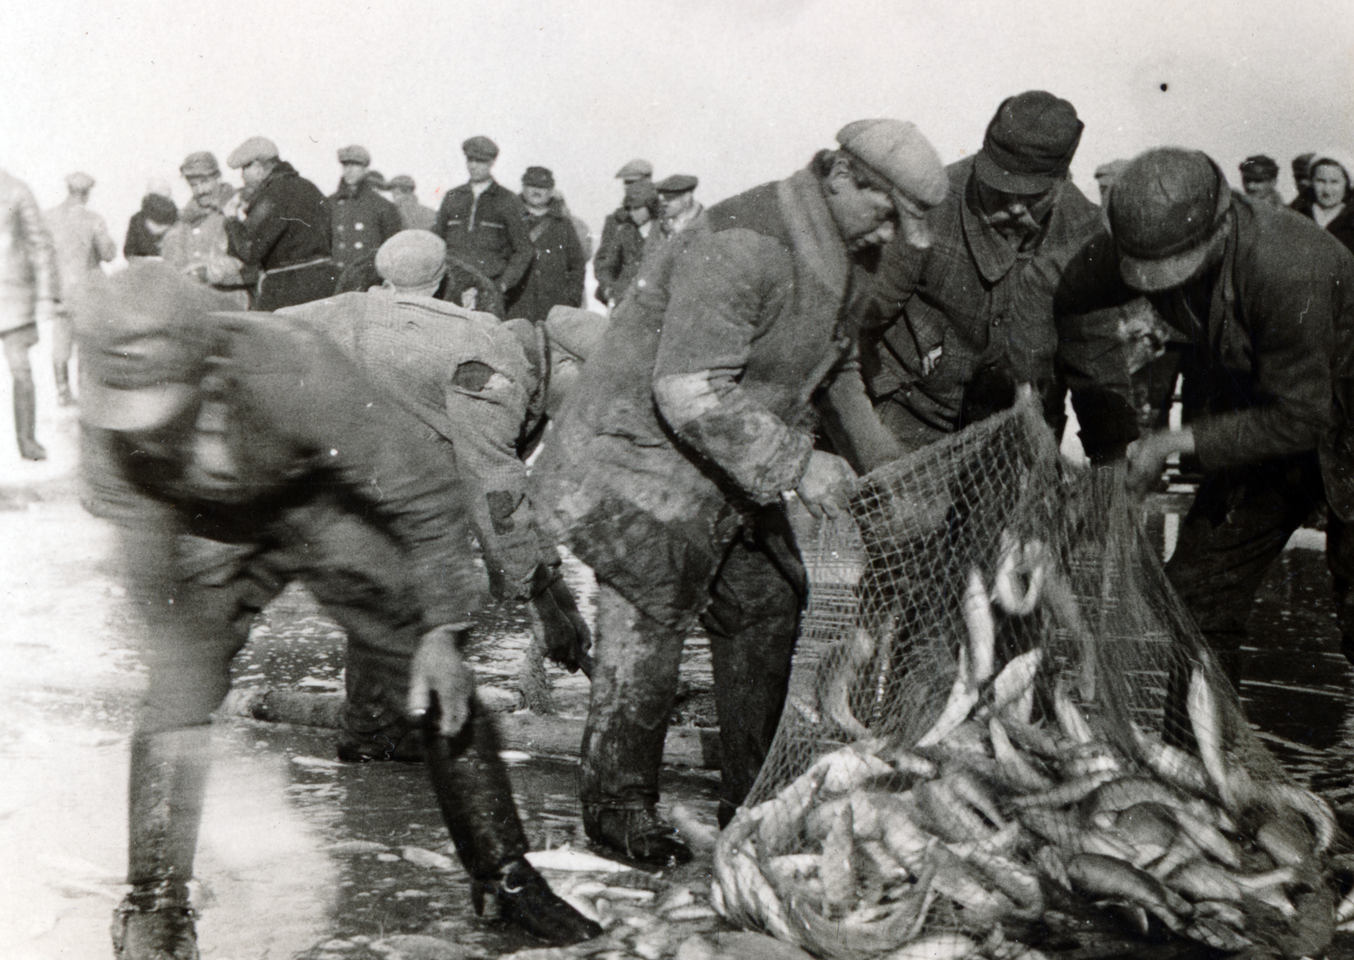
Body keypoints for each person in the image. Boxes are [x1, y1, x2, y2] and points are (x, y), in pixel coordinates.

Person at [77, 262, 600, 960]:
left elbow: (422, 495)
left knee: (422, 657)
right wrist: (181, 664)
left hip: (320, 499)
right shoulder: (109, 435)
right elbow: (148, 565)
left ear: (209, 365)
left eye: (167, 403)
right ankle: (154, 903)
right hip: (201, 521)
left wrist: (444, 631)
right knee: (177, 683)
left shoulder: (295, 366)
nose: (154, 427)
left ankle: (506, 877)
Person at [531, 119, 946, 864]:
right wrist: (800, 464)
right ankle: (617, 809)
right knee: (648, 625)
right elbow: (688, 389)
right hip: (640, 465)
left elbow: (837, 366)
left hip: (727, 468)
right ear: (843, 175)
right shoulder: (746, 241)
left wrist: (882, 461)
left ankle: (751, 799)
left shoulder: (847, 250)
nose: (888, 232)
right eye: (882, 211)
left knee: (766, 604)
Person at [1056, 146, 1354, 917]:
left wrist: (1175, 444)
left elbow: (1305, 417)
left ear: (1223, 221)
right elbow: (1071, 308)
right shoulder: (1124, 242)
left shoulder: (1288, 263)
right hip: (1255, 413)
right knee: (1195, 598)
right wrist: (1114, 408)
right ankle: (1208, 797)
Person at [282, 230, 592, 757]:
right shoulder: (497, 371)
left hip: (319, 405)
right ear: (563, 364)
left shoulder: (495, 346)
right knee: (425, 583)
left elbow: (505, 495)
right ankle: (377, 731)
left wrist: (555, 594)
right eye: (587, 393)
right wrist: (538, 602)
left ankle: (374, 728)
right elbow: (492, 492)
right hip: (284, 390)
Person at [855, 90, 1103, 451]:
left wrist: (1111, 455)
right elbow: (858, 322)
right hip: (910, 415)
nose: (1016, 208)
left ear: (1061, 179)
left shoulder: (1085, 231)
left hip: (1019, 429)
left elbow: (1094, 354)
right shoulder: (929, 205)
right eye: (1001, 191)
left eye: (1033, 196)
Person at [223, 137, 338, 311]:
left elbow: (250, 251)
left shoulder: (270, 196)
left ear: (257, 168)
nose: (242, 176)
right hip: (327, 288)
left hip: (287, 292)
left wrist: (231, 220)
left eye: (244, 169)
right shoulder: (310, 188)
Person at [0, 166, 59, 460]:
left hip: (13, 299)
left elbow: (41, 245)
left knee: (20, 372)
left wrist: (46, 295)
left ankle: (27, 441)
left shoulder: (17, 190)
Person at [44, 172, 116, 404]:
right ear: (86, 193)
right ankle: (86, 393)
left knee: (60, 343)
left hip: (60, 293)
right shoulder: (93, 220)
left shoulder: (49, 218)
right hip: (87, 292)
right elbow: (108, 254)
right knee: (86, 342)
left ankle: (62, 392)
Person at [433, 137, 535, 302]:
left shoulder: (508, 200)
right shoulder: (453, 197)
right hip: (450, 287)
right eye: (470, 160)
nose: (473, 165)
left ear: (491, 162)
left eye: (480, 161)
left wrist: (503, 284)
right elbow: (436, 239)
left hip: (488, 288)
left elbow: (524, 250)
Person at [163, 152, 251, 310]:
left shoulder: (237, 208)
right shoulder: (185, 219)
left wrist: (208, 272)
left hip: (233, 304)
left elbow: (248, 255)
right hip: (196, 306)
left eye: (205, 182)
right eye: (194, 185)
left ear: (218, 178)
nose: (200, 190)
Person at [507, 166, 585, 324]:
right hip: (515, 305)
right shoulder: (509, 219)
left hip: (554, 308)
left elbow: (577, 264)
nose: (537, 191)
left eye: (542, 187)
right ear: (523, 188)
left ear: (551, 191)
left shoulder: (563, 224)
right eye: (532, 186)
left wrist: (571, 299)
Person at [1290, 151, 1354, 278]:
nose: (1327, 190)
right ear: (1312, 182)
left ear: (1347, 184)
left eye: (1334, 182)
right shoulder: (1294, 217)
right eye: (1320, 181)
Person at [328, 145, 401, 275]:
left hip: (366, 277)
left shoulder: (382, 206)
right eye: (346, 166)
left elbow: (392, 248)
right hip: (337, 276)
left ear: (365, 169)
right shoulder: (331, 203)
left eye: (355, 166)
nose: (349, 171)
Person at [592, 180, 656, 307]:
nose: (633, 213)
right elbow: (607, 266)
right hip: (625, 301)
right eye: (629, 208)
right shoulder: (624, 233)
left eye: (637, 208)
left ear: (651, 206)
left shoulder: (664, 233)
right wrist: (609, 289)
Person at [125, 194, 179, 259]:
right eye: (157, 225)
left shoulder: (177, 228)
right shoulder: (137, 221)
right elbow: (129, 253)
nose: (161, 230)